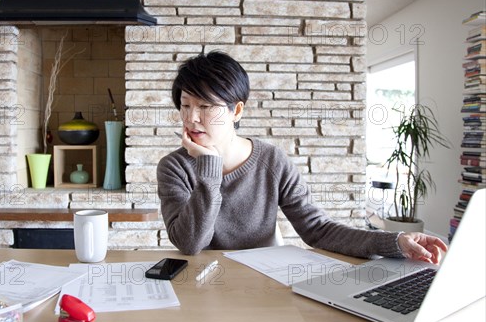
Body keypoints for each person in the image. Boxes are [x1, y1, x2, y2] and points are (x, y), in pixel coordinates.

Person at [156, 51, 447, 263]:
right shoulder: (173, 167)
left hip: (264, 281)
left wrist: (395, 241)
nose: (191, 118)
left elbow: (318, 230)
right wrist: (208, 168)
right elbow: (191, 244)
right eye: (185, 105)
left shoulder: (271, 161)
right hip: (205, 285)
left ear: (237, 111)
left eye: (205, 106)